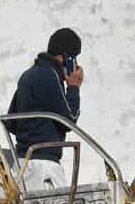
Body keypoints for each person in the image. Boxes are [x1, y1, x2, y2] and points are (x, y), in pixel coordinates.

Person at [7, 27, 85, 190]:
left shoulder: (28, 75)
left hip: (22, 164)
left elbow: (11, 123)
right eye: (74, 58)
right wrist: (73, 87)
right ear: (66, 57)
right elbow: (69, 120)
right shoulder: (51, 75)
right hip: (44, 167)